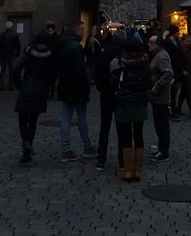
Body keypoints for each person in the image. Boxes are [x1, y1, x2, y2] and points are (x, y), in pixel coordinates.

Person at [111, 37, 150, 181]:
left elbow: (113, 81)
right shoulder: (145, 63)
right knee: (139, 135)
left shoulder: (120, 63)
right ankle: (137, 170)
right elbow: (149, 81)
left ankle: (127, 170)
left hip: (124, 102)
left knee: (126, 136)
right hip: (139, 102)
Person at [13, 35, 55, 165]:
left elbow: (16, 68)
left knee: (22, 119)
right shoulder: (49, 54)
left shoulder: (28, 51)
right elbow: (53, 74)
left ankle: (26, 143)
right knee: (33, 121)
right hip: (40, 88)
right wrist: (47, 84)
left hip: (27, 86)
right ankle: (28, 147)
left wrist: (19, 84)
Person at [57, 22, 96, 162]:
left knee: (65, 118)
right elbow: (81, 70)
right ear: (77, 30)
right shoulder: (76, 47)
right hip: (77, 88)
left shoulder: (62, 44)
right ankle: (87, 146)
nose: (84, 32)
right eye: (83, 30)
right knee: (81, 117)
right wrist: (86, 87)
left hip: (65, 86)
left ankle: (65, 149)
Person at [94, 29, 125, 173]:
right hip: (121, 94)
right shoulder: (125, 52)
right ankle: (122, 162)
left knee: (104, 127)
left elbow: (97, 72)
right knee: (122, 128)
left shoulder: (105, 50)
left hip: (106, 93)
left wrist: (102, 87)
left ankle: (101, 160)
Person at [148, 36, 173, 162]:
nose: (149, 45)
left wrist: (156, 87)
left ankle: (164, 151)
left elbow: (168, 73)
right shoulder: (157, 55)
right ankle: (161, 148)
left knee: (162, 124)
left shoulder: (161, 56)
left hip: (161, 97)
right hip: (157, 97)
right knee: (158, 124)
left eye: (151, 43)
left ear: (156, 44)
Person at [164, 24, 186, 120]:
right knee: (172, 91)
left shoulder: (177, 41)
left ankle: (174, 110)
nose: (179, 33)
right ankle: (171, 111)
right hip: (171, 70)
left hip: (177, 70)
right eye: (177, 31)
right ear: (174, 32)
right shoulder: (168, 43)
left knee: (175, 91)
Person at [177, 37, 191, 117]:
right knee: (187, 91)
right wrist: (182, 71)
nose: (189, 43)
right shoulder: (181, 50)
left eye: (190, 41)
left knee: (184, 92)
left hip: (189, 73)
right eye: (187, 41)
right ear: (183, 41)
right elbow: (178, 62)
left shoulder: (190, 50)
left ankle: (178, 108)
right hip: (185, 74)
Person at [0, 21, 21, 91]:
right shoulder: (15, 35)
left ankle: (1, 85)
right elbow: (18, 45)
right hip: (12, 54)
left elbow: (0, 45)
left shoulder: (3, 35)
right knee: (12, 70)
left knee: (3, 70)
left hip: (4, 54)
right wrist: (17, 53)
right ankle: (10, 86)